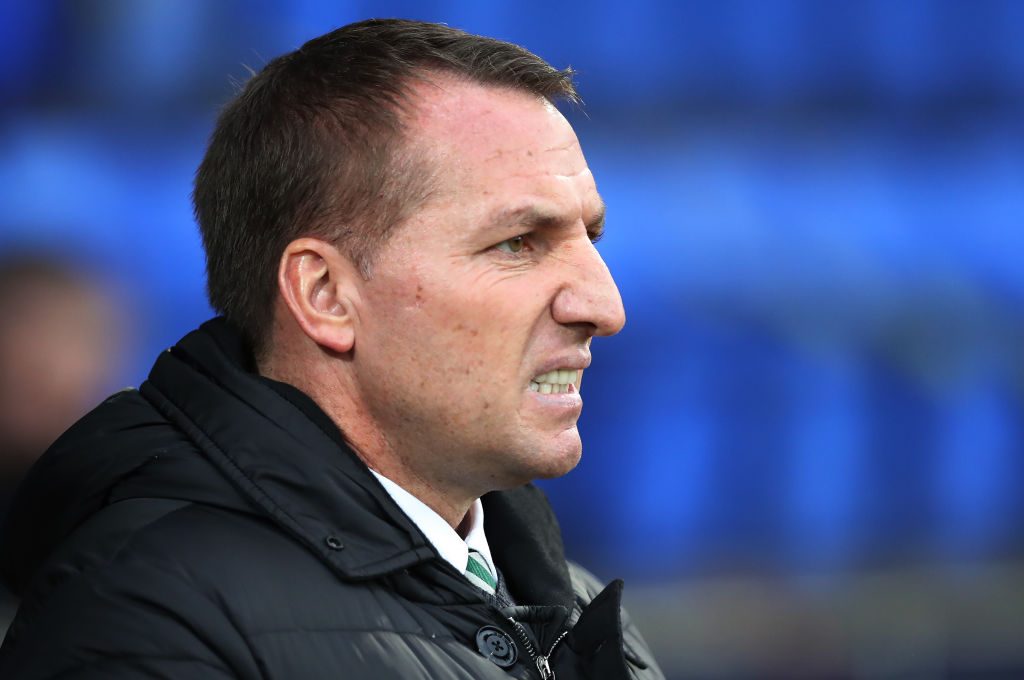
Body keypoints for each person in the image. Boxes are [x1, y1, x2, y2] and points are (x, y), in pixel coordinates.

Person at [0, 19, 662, 679]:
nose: (605, 308)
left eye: (590, 238)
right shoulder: (149, 617)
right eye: (518, 242)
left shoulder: (571, 606)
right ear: (325, 295)